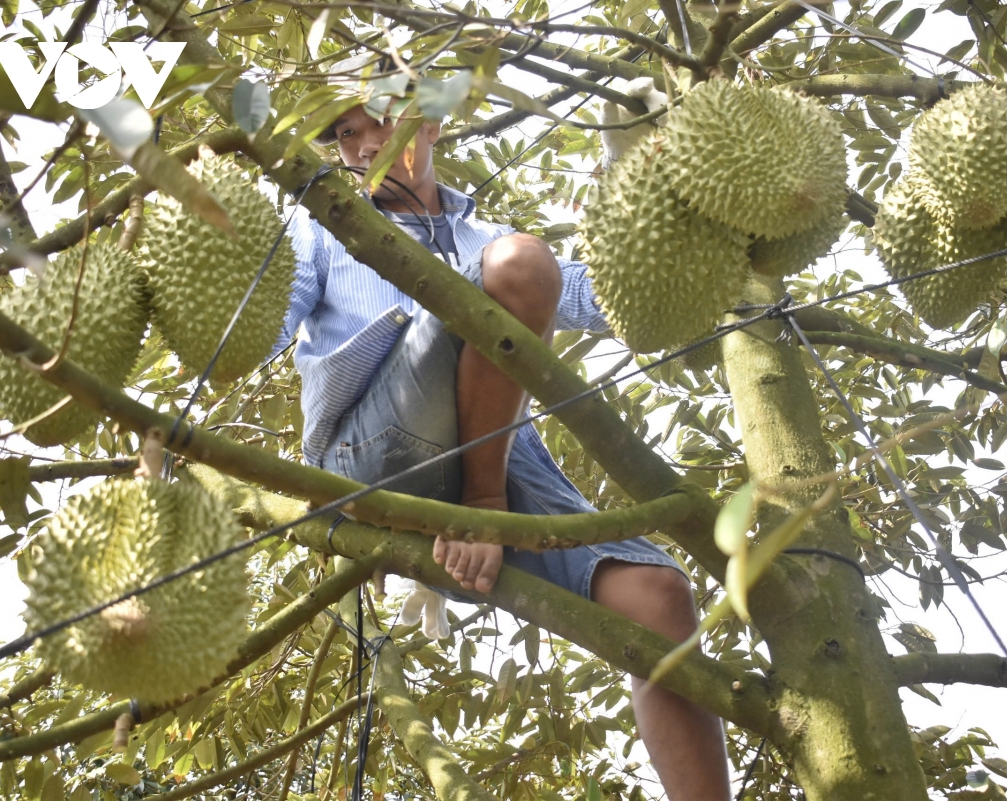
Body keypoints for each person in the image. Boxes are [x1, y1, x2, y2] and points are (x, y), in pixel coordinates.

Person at [274, 86, 731, 800]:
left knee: (658, 596)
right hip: (371, 452)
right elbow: (265, 321)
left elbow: (597, 291)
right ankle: (479, 509)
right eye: (345, 133)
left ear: (429, 120)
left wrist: (709, 245)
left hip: (491, 452)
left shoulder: (480, 237)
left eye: (380, 122)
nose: (364, 147)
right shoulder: (323, 226)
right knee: (518, 265)